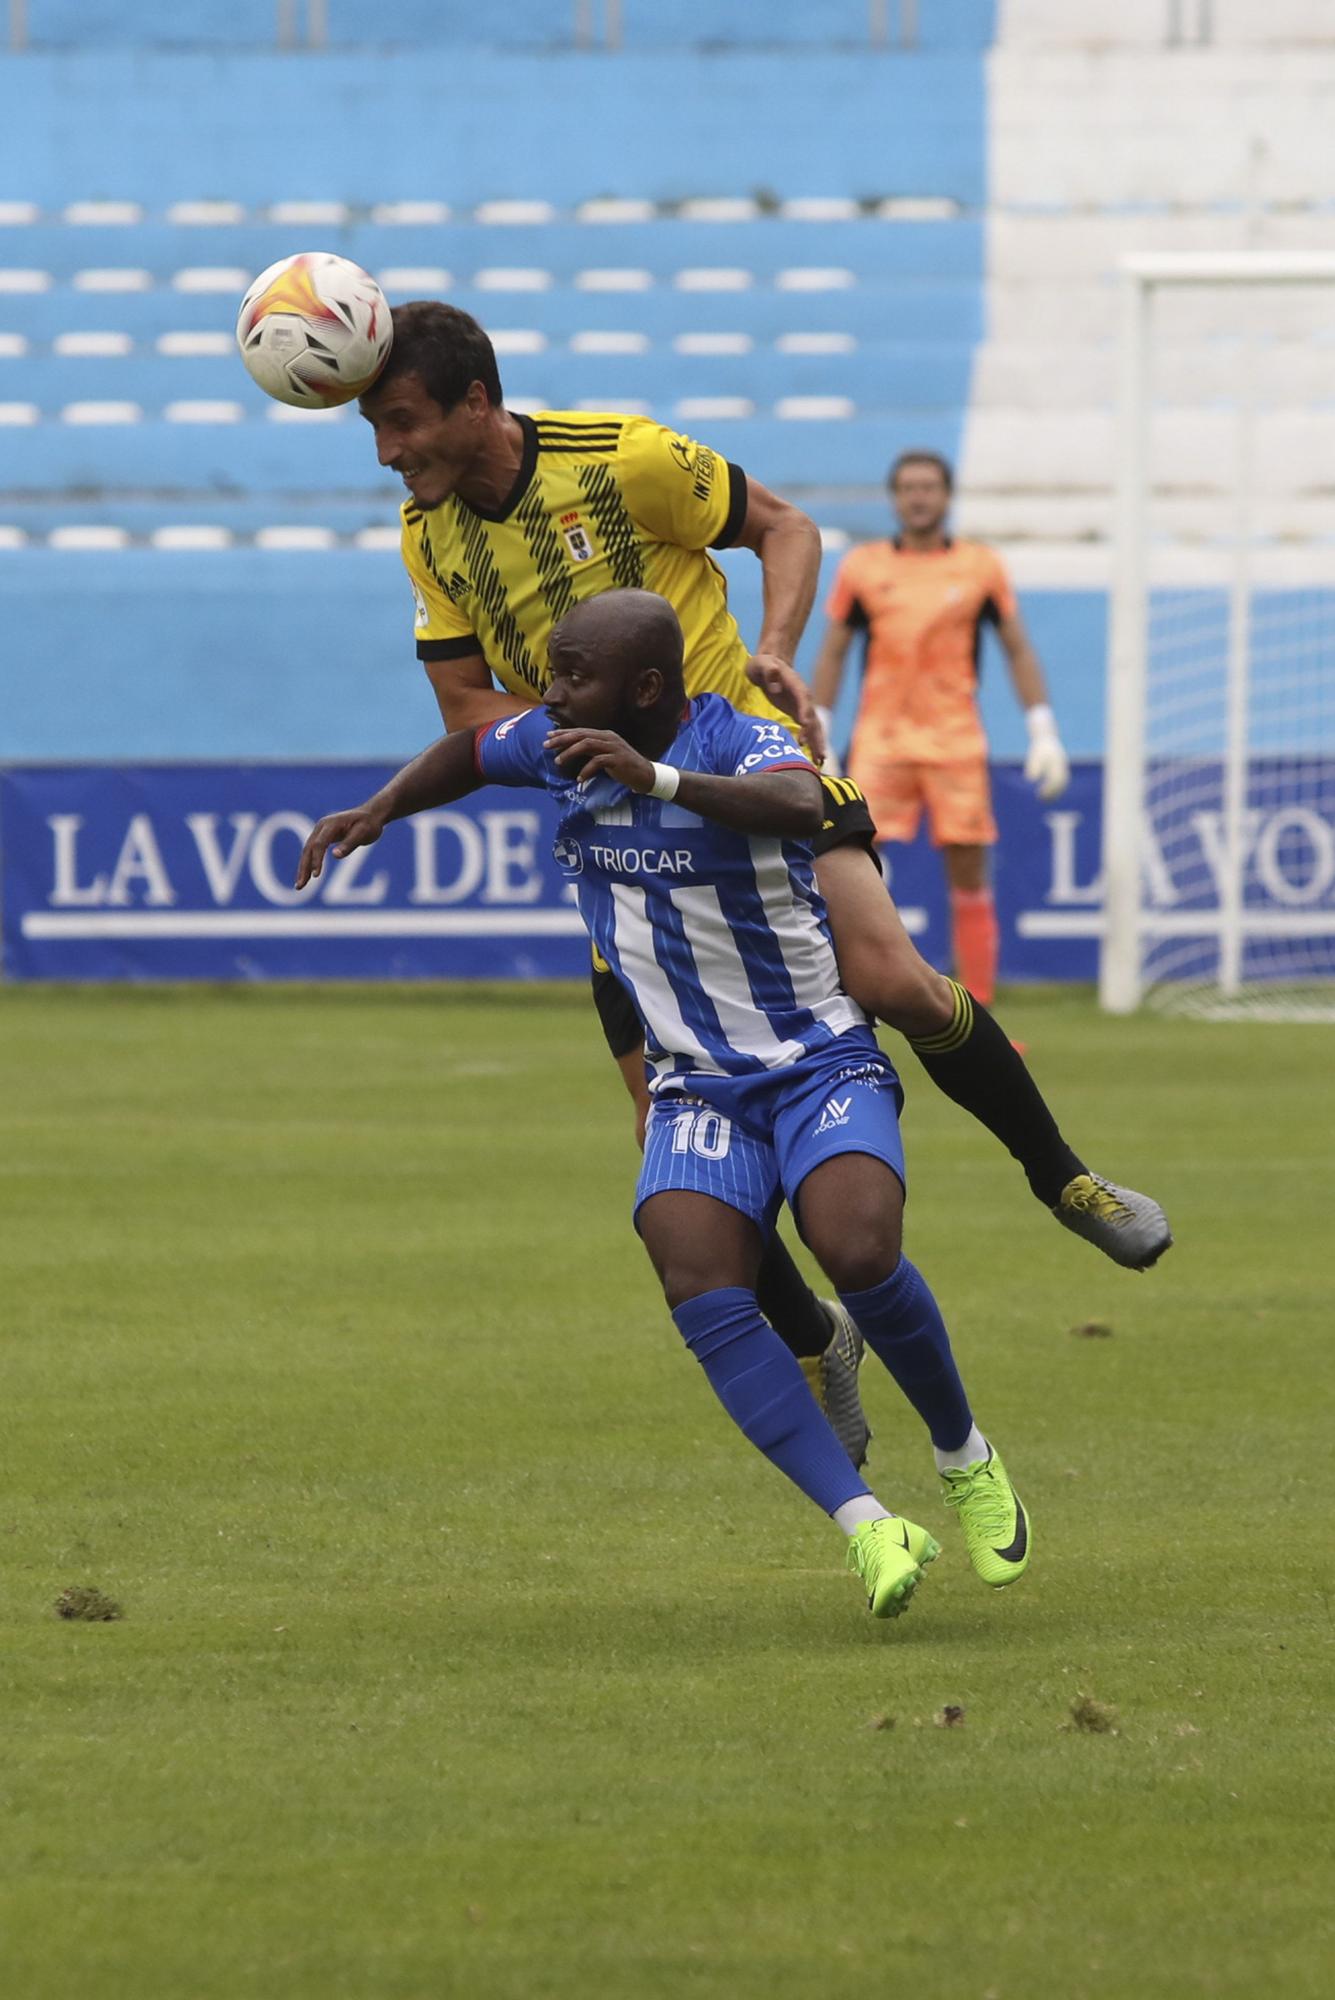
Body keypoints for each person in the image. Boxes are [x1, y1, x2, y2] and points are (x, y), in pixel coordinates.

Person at [354, 304, 1170, 1462]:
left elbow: (785, 526)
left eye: (402, 424)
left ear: (476, 402)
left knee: (888, 972)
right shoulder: (429, 539)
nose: (390, 453)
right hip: (632, 848)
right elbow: (465, 712)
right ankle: (812, 1335)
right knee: (666, 1128)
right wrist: (578, 745)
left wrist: (775, 645)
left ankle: (1067, 1178)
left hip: (751, 776)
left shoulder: (622, 457)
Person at [296, 591, 1032, 1620]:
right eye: (552, 675)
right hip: (697, 1080)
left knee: (857, 1247)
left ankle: (964, 1453)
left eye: (573, 675)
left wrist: (663, 779)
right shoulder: (561, 741)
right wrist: (381, 806)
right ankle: (868, 1524)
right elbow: (467, 751)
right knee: (692, 1266)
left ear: (647, 688)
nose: (551, 695)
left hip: (815, 1056)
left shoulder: (743, 735)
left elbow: (803, 806)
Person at [810, 448, 1070, 1011]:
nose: (919, 496)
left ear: (946, 496)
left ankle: (978, 1012)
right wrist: (821, 731)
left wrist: (1042, 728)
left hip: (955, 739)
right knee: (849, 864)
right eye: (909, 487)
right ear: (895, 497)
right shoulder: (864, 567)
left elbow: (1016, 646)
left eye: (929, 487)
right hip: (882, 738)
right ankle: (842, 1006)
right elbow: (833, 651)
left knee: (970, 867)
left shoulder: (980, 566)